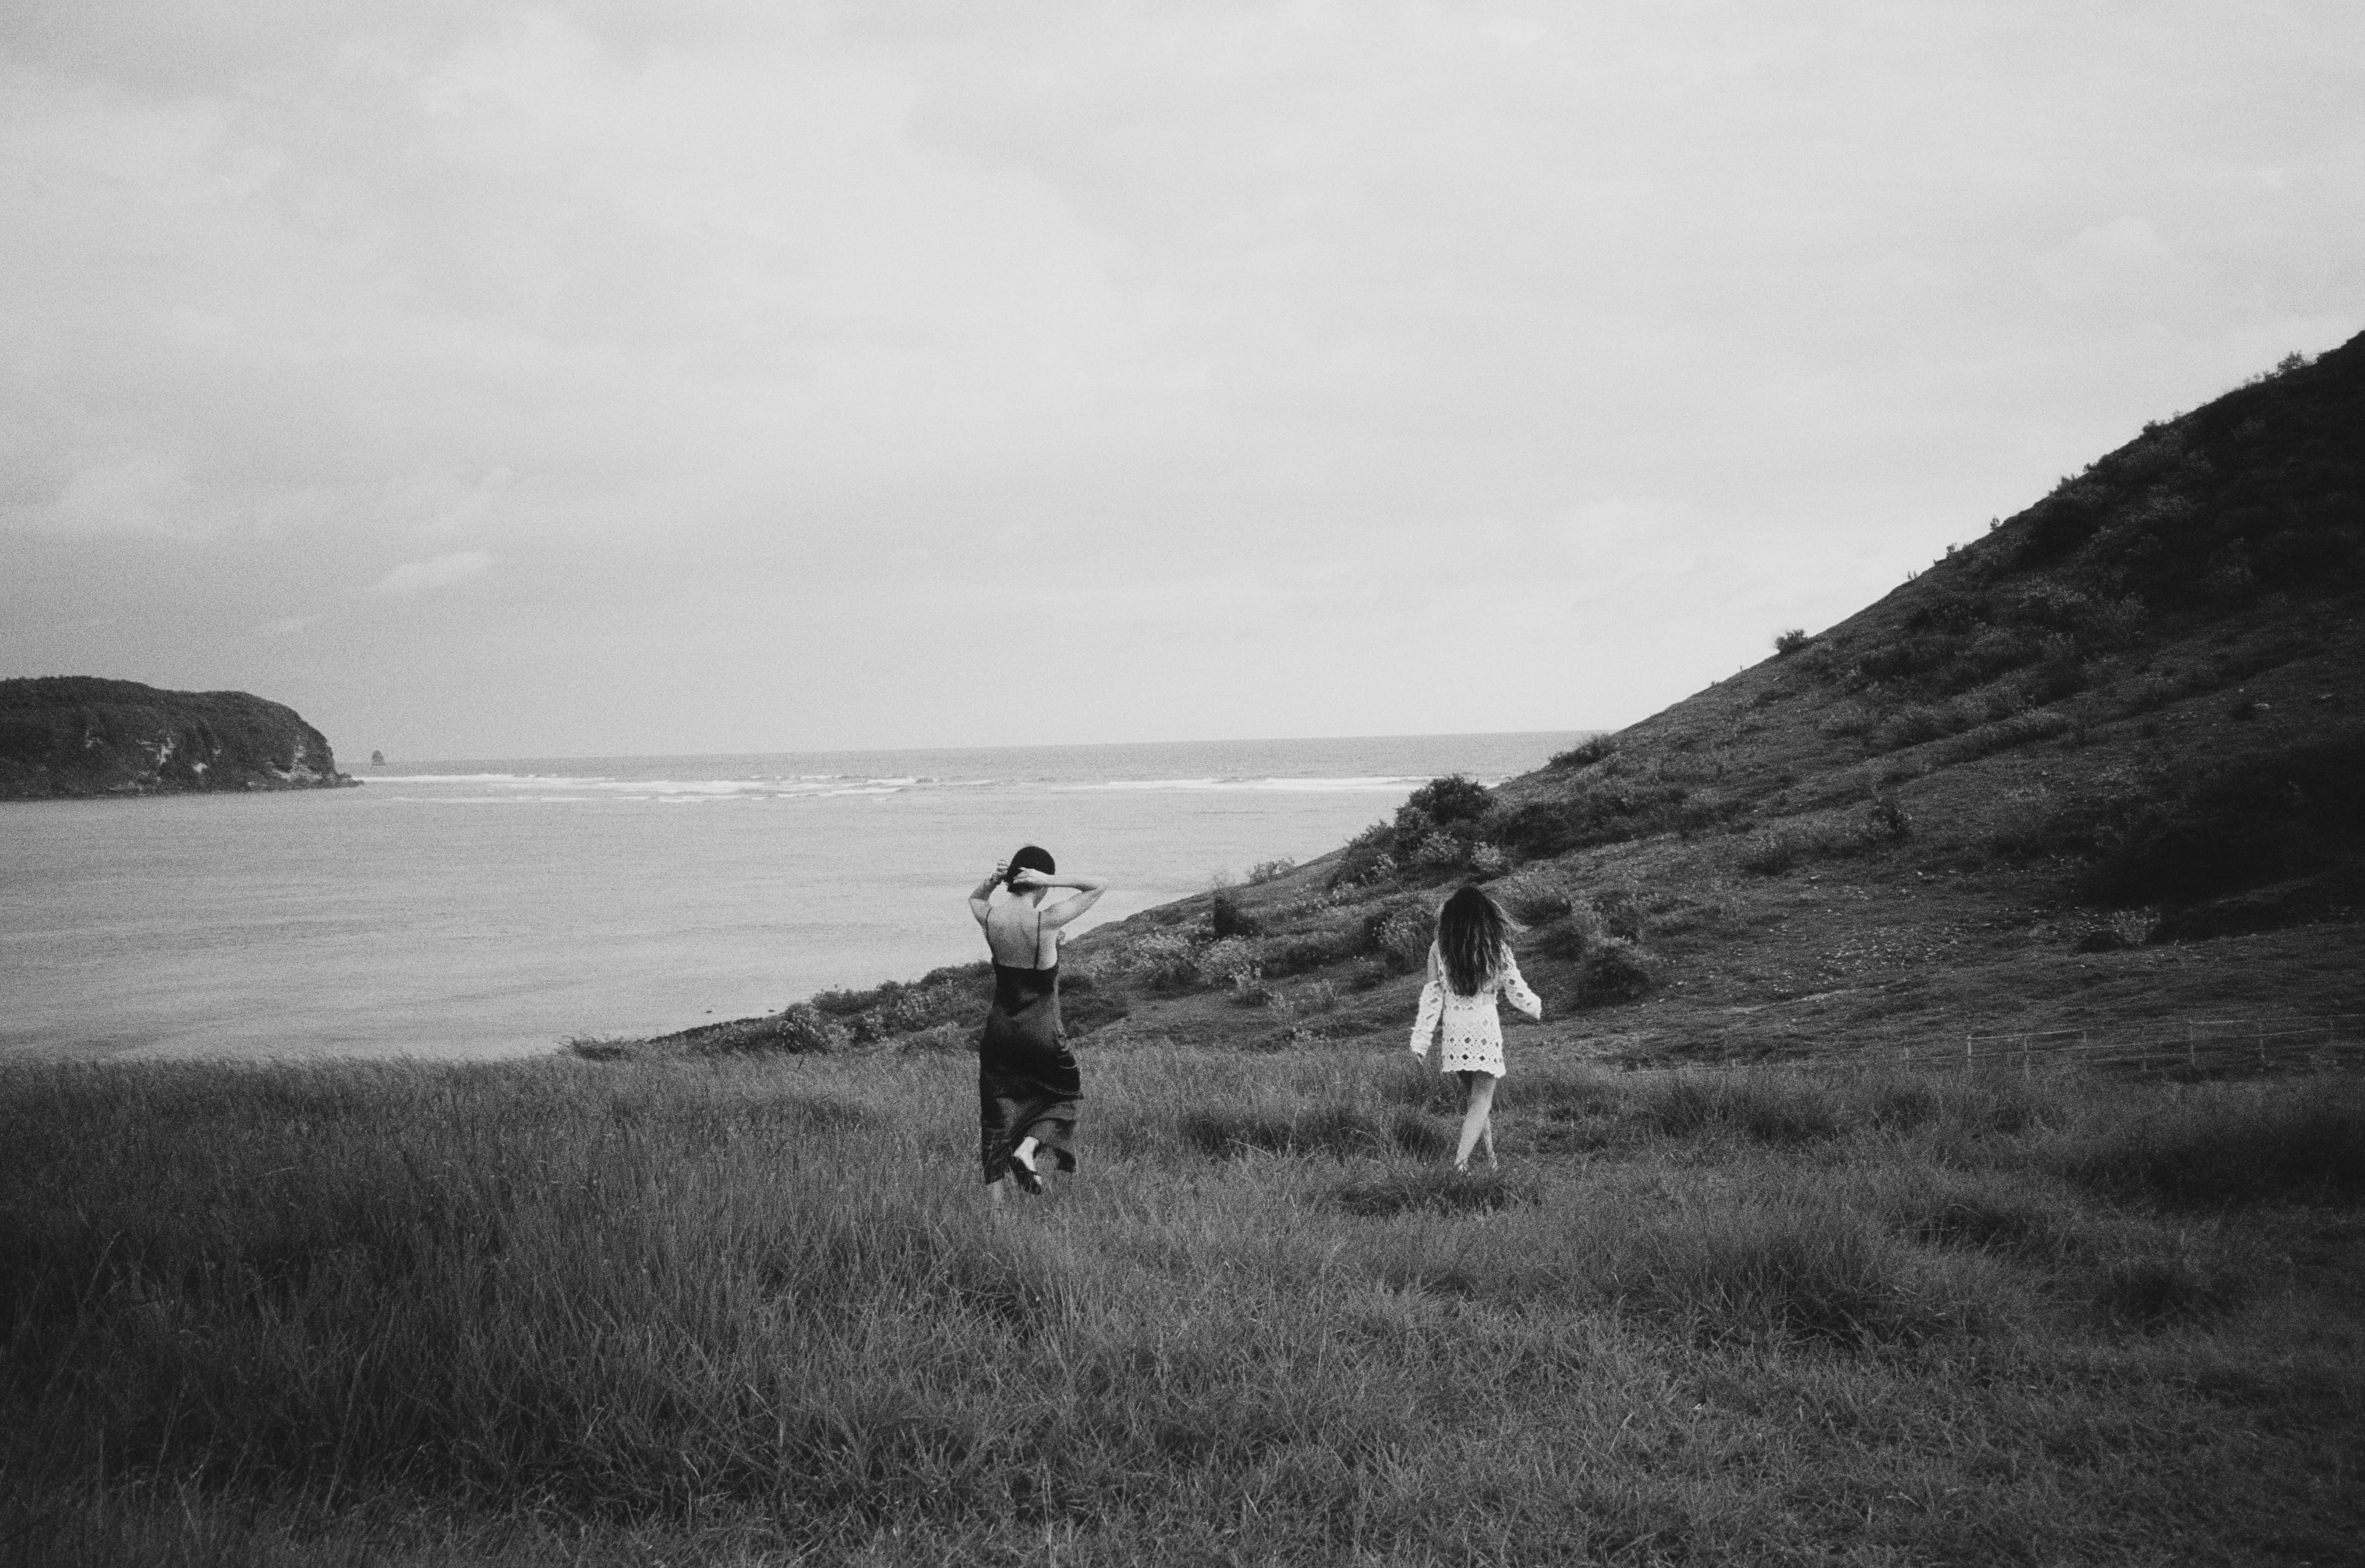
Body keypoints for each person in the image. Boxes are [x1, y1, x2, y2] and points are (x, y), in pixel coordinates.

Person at [966, 845, 1107, 1203]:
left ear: (1012, 880)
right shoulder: (1046, 921)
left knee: (995, 1117)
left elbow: (975, 897)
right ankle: (1027, 1150)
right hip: (1042, 1032)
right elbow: (1098, 886)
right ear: (1039, 883)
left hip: (998, 1033)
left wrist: (993, 880)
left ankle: (995, 1215)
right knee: (1066, 1096)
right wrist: (1054, 880)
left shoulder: (989, 917)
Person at [1408, 884, 1543, 1171]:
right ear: (1485, 915)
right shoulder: (1496, 948)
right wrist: (1536, 1008)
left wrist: (1420, 1043)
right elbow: (1517, 991)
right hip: (1484, 1028)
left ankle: (1492, 1162)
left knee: (1476, 1100)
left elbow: (1431, 999)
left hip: (1454, 1032)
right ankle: (1460, 1165)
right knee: (1482, 1100)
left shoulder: (1438, 949)